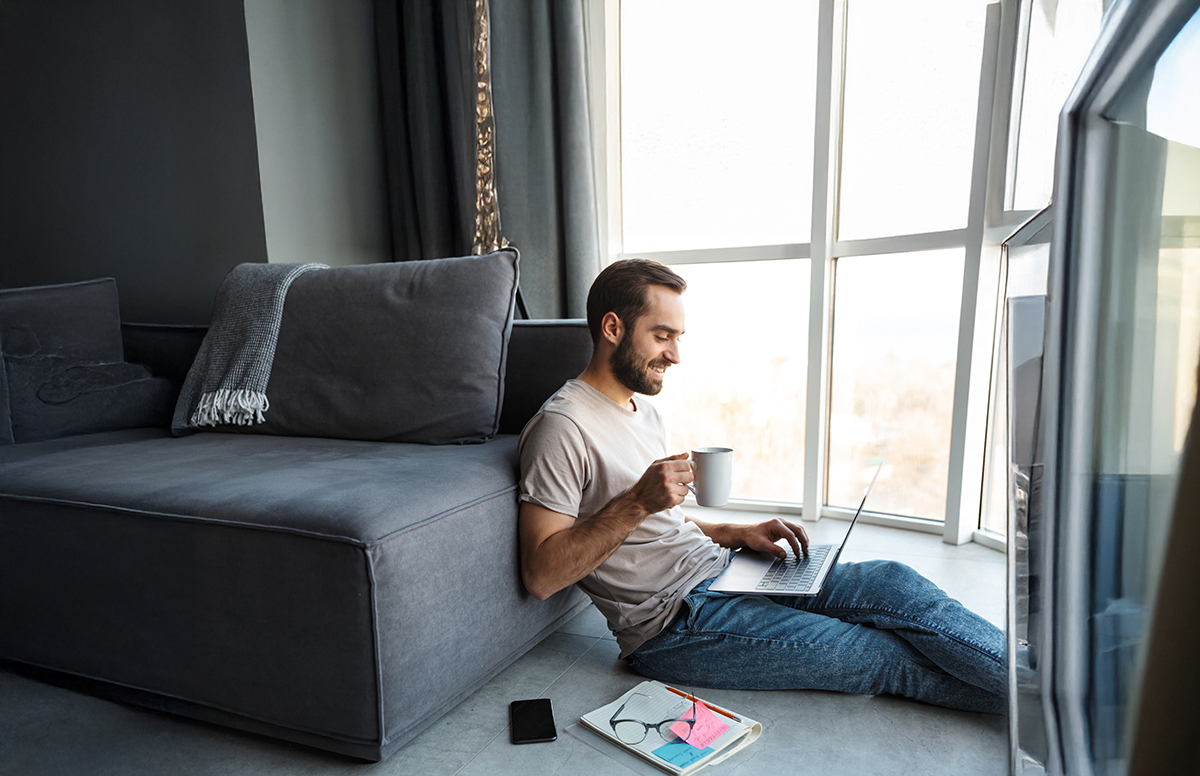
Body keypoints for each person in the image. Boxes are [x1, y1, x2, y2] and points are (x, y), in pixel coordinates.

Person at [517, 258, 1005, 714]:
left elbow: (656, 525)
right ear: (612, 328)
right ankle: (1041, 697)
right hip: (674, 624)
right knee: (876, 654)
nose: (676, 355)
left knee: (893, 583)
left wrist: (733, 532)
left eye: (679, 337)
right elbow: (541, 575)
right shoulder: (562, 427)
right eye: (662, 336)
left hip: (724, 569)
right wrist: (637, 502)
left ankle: (1032, 671)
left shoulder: (643, 411)